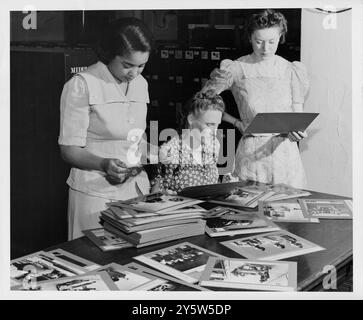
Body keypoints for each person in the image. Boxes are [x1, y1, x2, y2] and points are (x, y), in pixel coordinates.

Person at [58, 17, 154, 240]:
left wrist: (158, 152)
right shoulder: (82, 84)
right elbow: (69, 150)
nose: (135, 73)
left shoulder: (141, 84)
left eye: (142, 65)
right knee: (93, 264)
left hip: (136, 192)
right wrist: (104, 163)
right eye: (127, 65)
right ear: (110, 54)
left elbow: (136, 139)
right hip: (95, 193)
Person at [202, 9, 309, 189]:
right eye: (258, 41)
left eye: (272, 42)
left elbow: (297, 118)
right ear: (250, 37)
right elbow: (204, 100)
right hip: (251, 154)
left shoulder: (291, 70)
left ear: (281, 36)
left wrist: (297, 132)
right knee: (249, 209)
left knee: (286, 210)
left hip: (285, 155)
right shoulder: (237, 68)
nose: (265, 48)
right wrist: (236, 122)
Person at [151, 90, 225, 193]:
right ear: (191, 120)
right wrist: (164, 194)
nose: (214, 131)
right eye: (209, 124)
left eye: (217, 125)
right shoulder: (171, 149)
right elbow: (156, 189)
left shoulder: (214, 144)